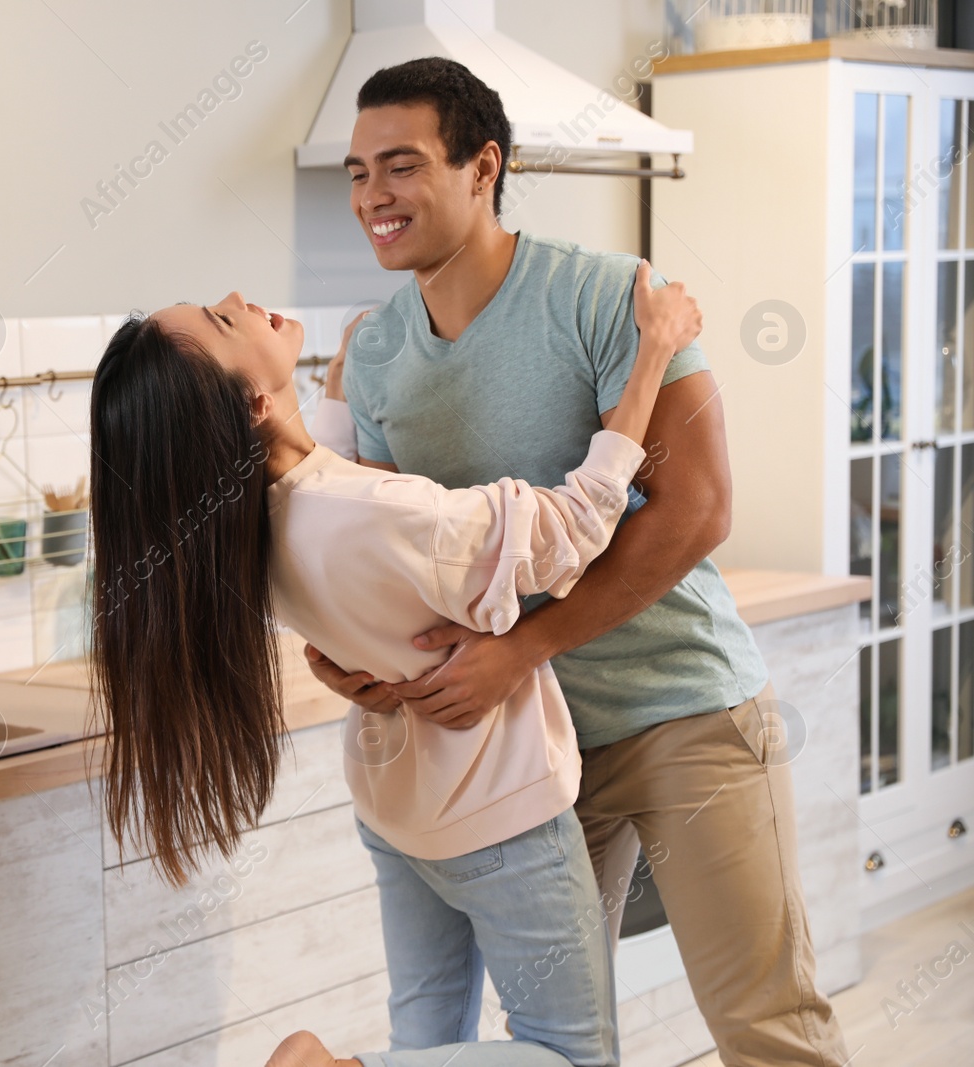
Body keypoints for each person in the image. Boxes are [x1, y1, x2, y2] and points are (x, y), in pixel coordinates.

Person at [304, 57, 848, 1066]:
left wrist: (528, 643)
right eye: (355, 171)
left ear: (482, 168)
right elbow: (376, 553)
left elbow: (699, 507)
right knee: (557, 1047)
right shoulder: (373, 353)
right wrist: (347, 656)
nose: (372, 195)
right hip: (528, 753)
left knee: (766, 1024)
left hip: (680, 707)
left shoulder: (607, 295)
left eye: (401, 165)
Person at [87, 270, 701, 1067]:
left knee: (429, 1036)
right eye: (220, 320)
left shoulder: (248, 533)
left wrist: (337, 386)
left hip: (399, 814)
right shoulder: (388, 516)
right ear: (250, 407)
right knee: (572, 1055)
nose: (238, 298)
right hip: (498, 815)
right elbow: (569, 530)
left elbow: (330, 486)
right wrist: (655, 346)